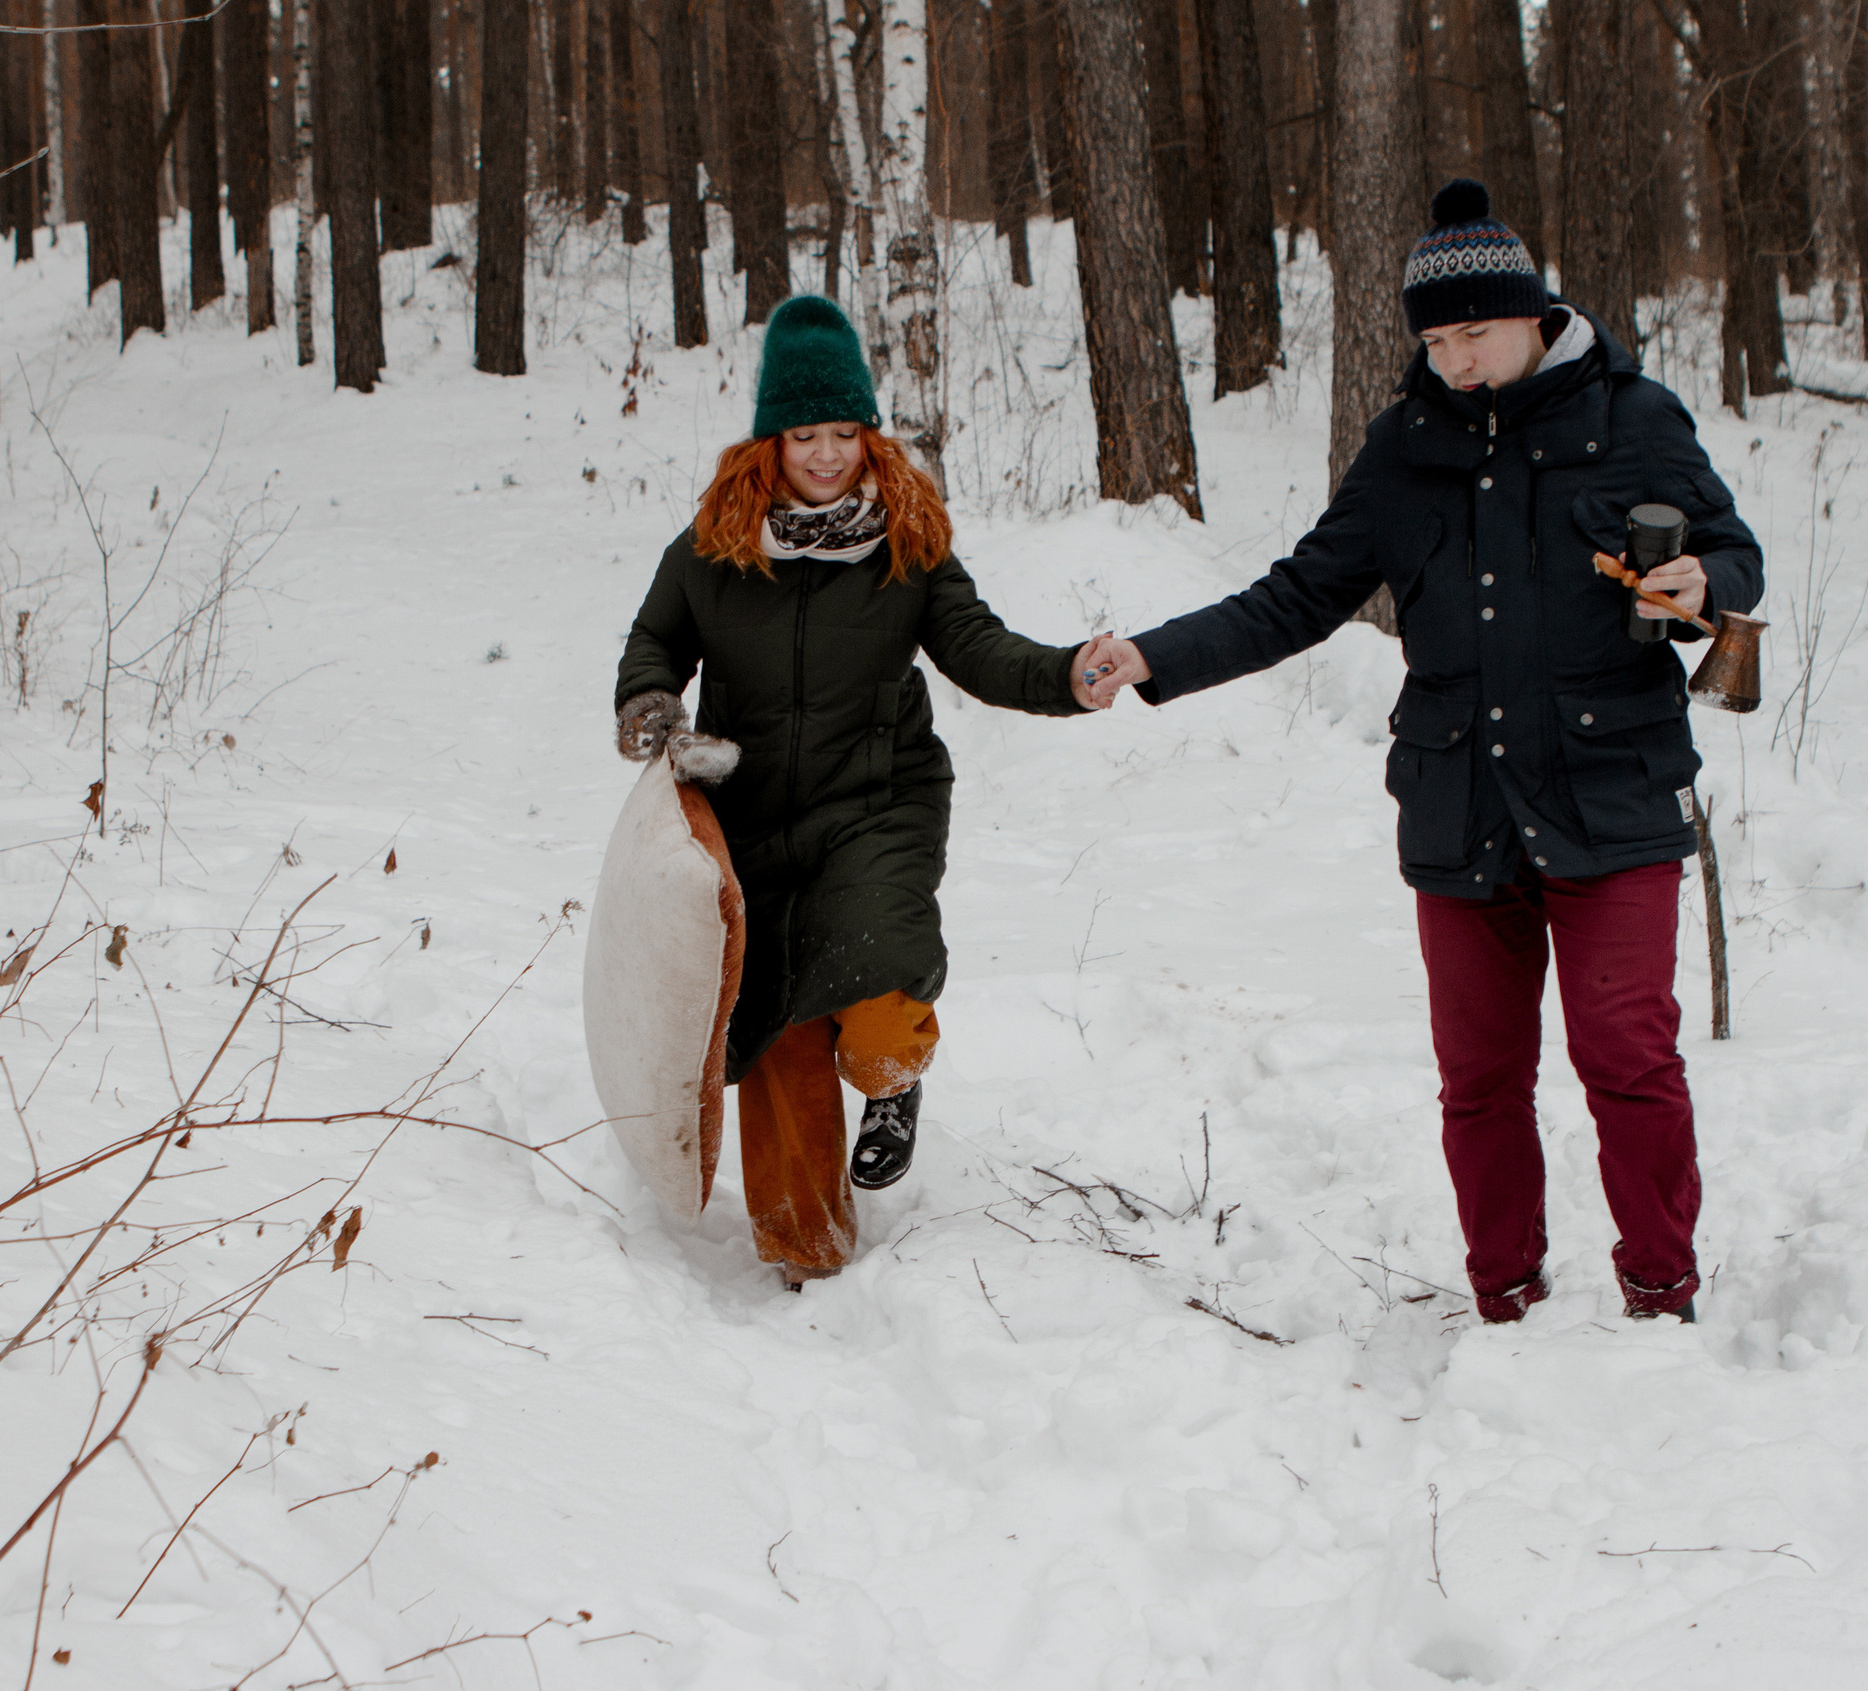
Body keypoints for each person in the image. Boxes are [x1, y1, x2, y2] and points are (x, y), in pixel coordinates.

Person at [1082, 181, 1764, 1325]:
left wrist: (1706, 580)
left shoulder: (1635, 418)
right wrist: (1156, 656)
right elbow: (1299, 593)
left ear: (1532, 313)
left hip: (1614, 790)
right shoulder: (1404, 447)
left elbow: (1733, 551)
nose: (1454, 361)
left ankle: (1660, 1288)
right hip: (1461, 804)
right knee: (1479, 1077)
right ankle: (1504, 1292)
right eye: (1436, 342)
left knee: (1627, 1054)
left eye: (1474, 334)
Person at [616, 294, 1109, 1289]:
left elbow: (979, 647)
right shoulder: (714, 544)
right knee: (779, 1032)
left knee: (875, 975)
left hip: (876, 803)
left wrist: (1065, 674)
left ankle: (891, 1081)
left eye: (845, 431)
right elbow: (654, 639)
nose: (828, 453)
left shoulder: (907, 541)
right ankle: (808, 1262)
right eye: (807, 433)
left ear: (868, 433)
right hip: (751, 812)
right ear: (772, 438)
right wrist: (651, 701)